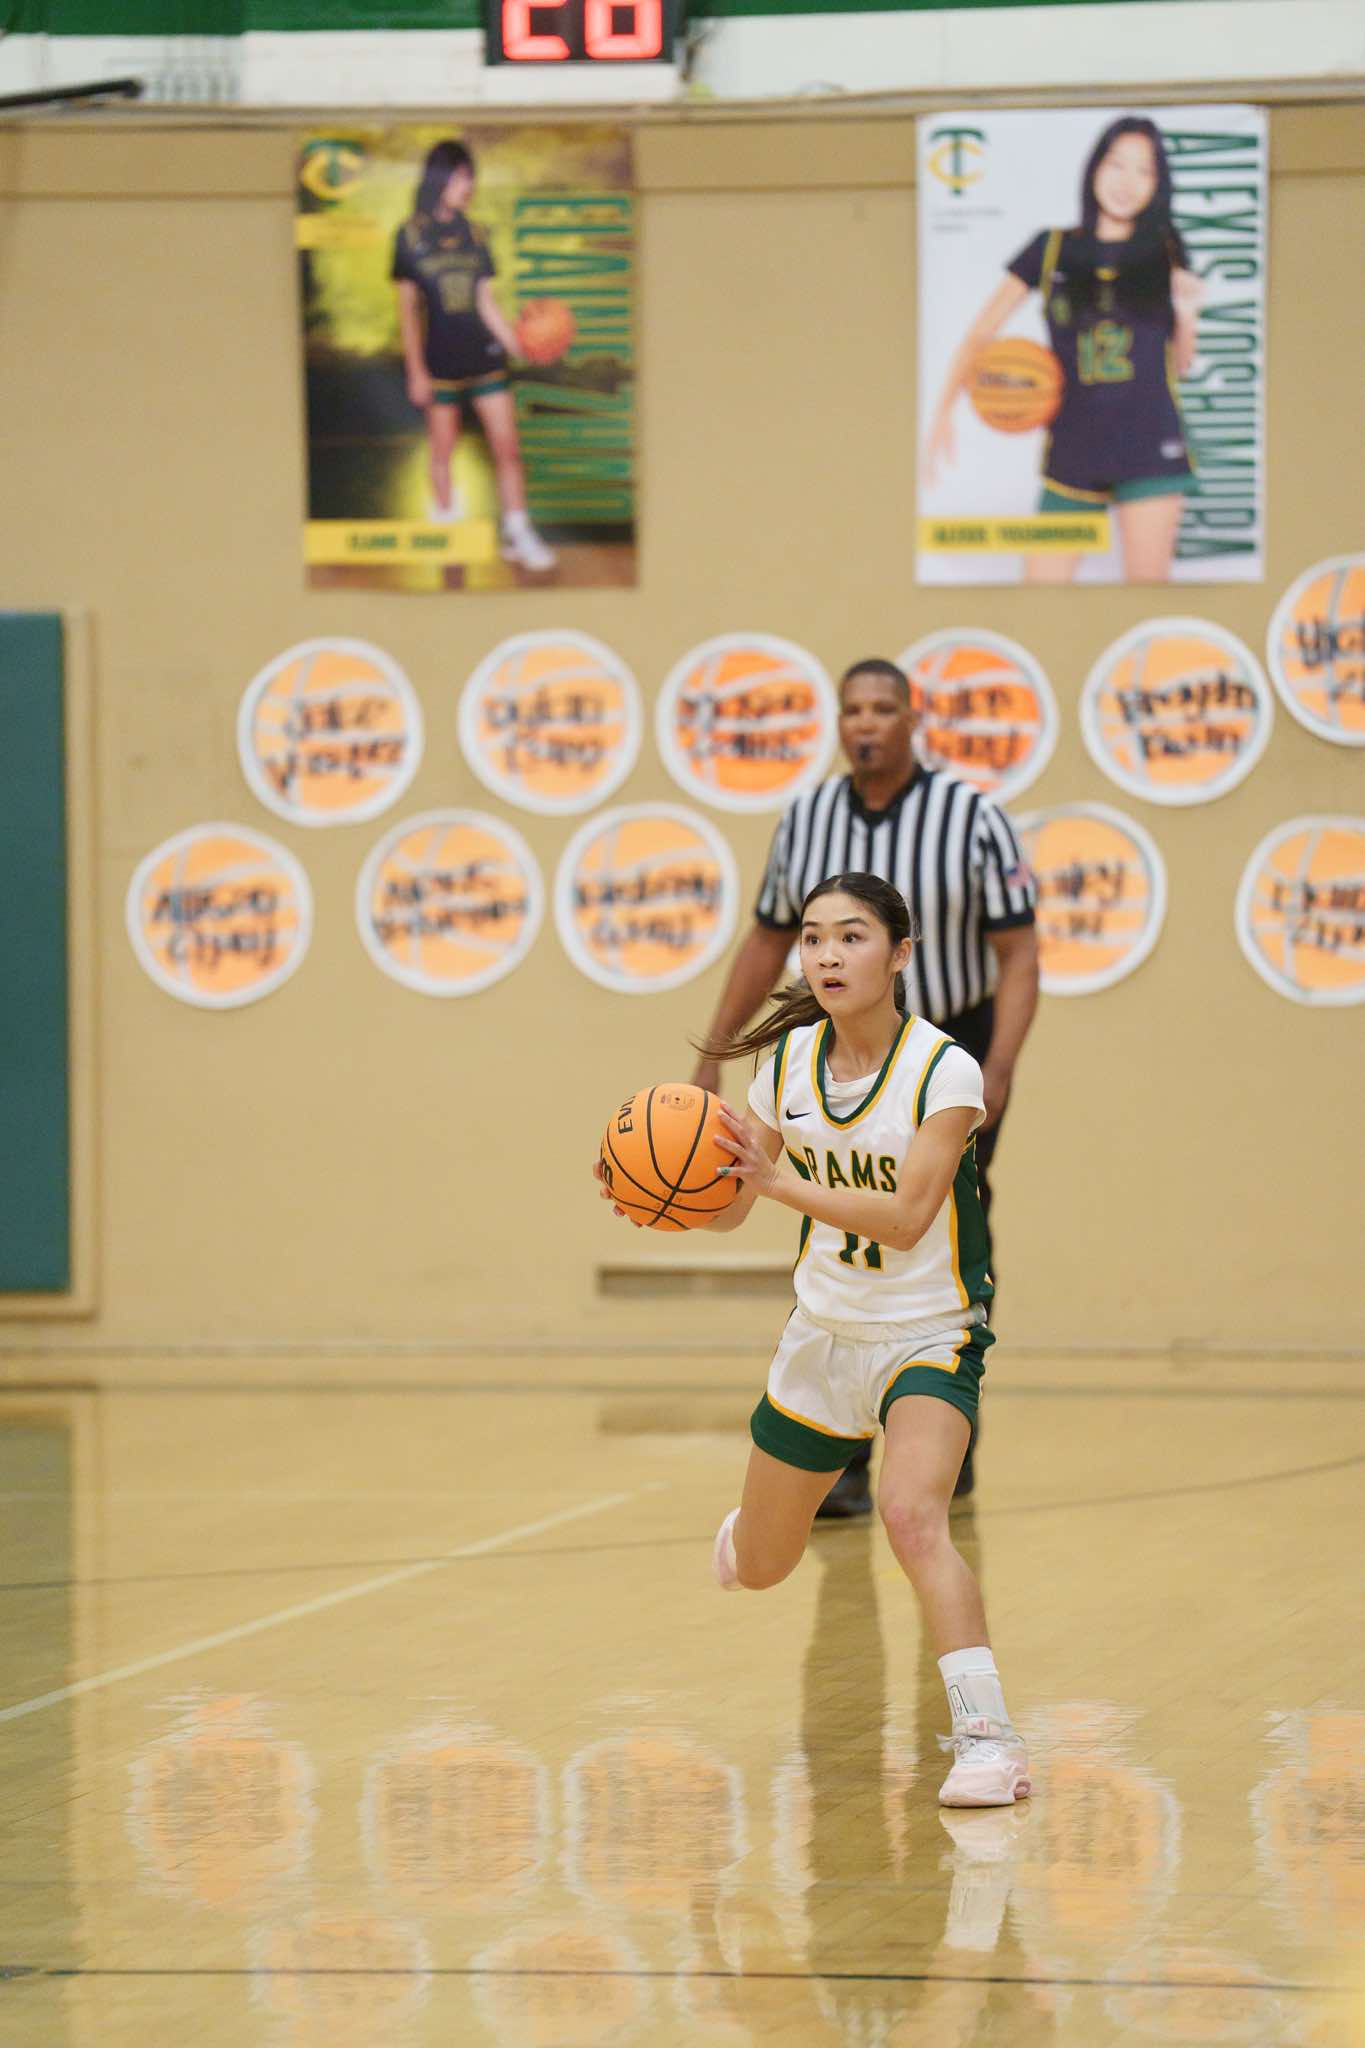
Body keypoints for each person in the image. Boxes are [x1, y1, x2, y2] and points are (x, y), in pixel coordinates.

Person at [601, 873, 1031, 1808]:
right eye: (812, 938)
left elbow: (908, 1220)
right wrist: (660, 1199)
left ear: (900, 954)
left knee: (912, 1516)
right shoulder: (787, 1065)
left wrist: (776, 1183)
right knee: (761, 1569)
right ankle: (750, 1531)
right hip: (821, 1337)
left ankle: (988, 1742)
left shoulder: (943, 1071)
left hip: (927, 1334)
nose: (827, 955)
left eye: (851, 936)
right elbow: (731, 1206)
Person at [693, 656, 1038, 1514]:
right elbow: (766, 940)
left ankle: (940, 1425)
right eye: (852, 710)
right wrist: (715, 1050)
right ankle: (839, 1449)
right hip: (832, 1045)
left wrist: (999, 1062)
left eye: (883, 708)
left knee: (940, 1226)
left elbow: (1019, 949)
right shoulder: (805, 818)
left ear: (911, 720)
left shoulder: (971, 817)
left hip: (943, 1045)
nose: (866, 723)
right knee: (826, 1205)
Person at [924, 115, 1204, 584]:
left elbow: (1181, 365)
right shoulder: (1051, 247)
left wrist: (1188, 314)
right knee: (1038, 598)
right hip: (1074, 449)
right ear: (1096, 167)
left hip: (1150, 448)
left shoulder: (1165, 250)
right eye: (1117, 164)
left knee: (1148, 598)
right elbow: (980, 333)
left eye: (1144, 171)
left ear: (1158, 185)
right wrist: (942, 410)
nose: (1127, 181)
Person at [392, 140, 556, 573]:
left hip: (484, 358)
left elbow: (486, 303)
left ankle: (517, 532)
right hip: (440, 363)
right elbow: (406, 311)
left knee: (508, 449)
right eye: (461, 176)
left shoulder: (477, 234)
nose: (469, 186)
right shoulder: (409, 236)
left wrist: (518, 344)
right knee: (442, 453)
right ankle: (448, 533)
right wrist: (415, 371)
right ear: (439, 178)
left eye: (472, 177)